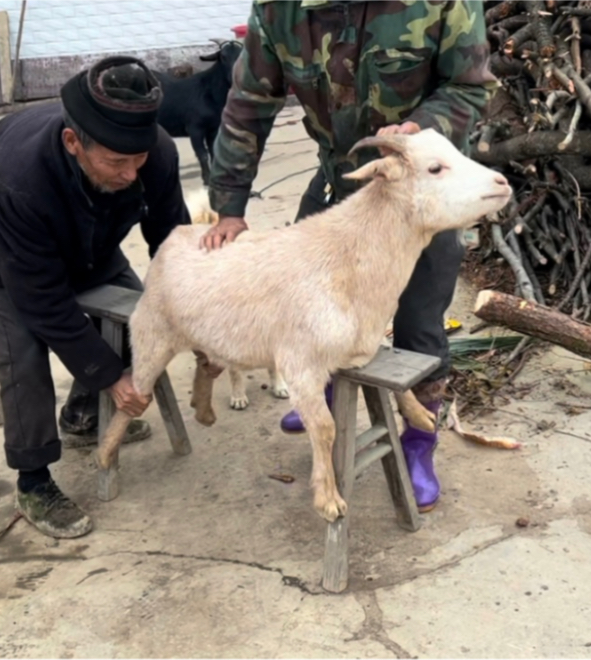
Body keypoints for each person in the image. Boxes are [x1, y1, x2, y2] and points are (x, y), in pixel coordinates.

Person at [201, 0, 498, 513]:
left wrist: (418, 129)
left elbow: (471, 86)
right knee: (306, 305)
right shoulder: (278, 9)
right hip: (341, 181)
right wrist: (228, 205)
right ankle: (320, 398)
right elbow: (249, 100)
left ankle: (419, 444)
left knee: (419, 326)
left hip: (422, 195)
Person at [0, 56, 189, 539]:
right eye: (116, 162)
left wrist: (203, 312)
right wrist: (111, 376)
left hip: (86, 229)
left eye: (139, 160)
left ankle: (83, 414)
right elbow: (42, 299)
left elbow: (173, 244)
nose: (132, 174)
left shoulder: (153, 155)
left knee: (144, 319)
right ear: (74, 143)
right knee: (23, 342)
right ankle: (32, 482)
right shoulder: (19, 180)